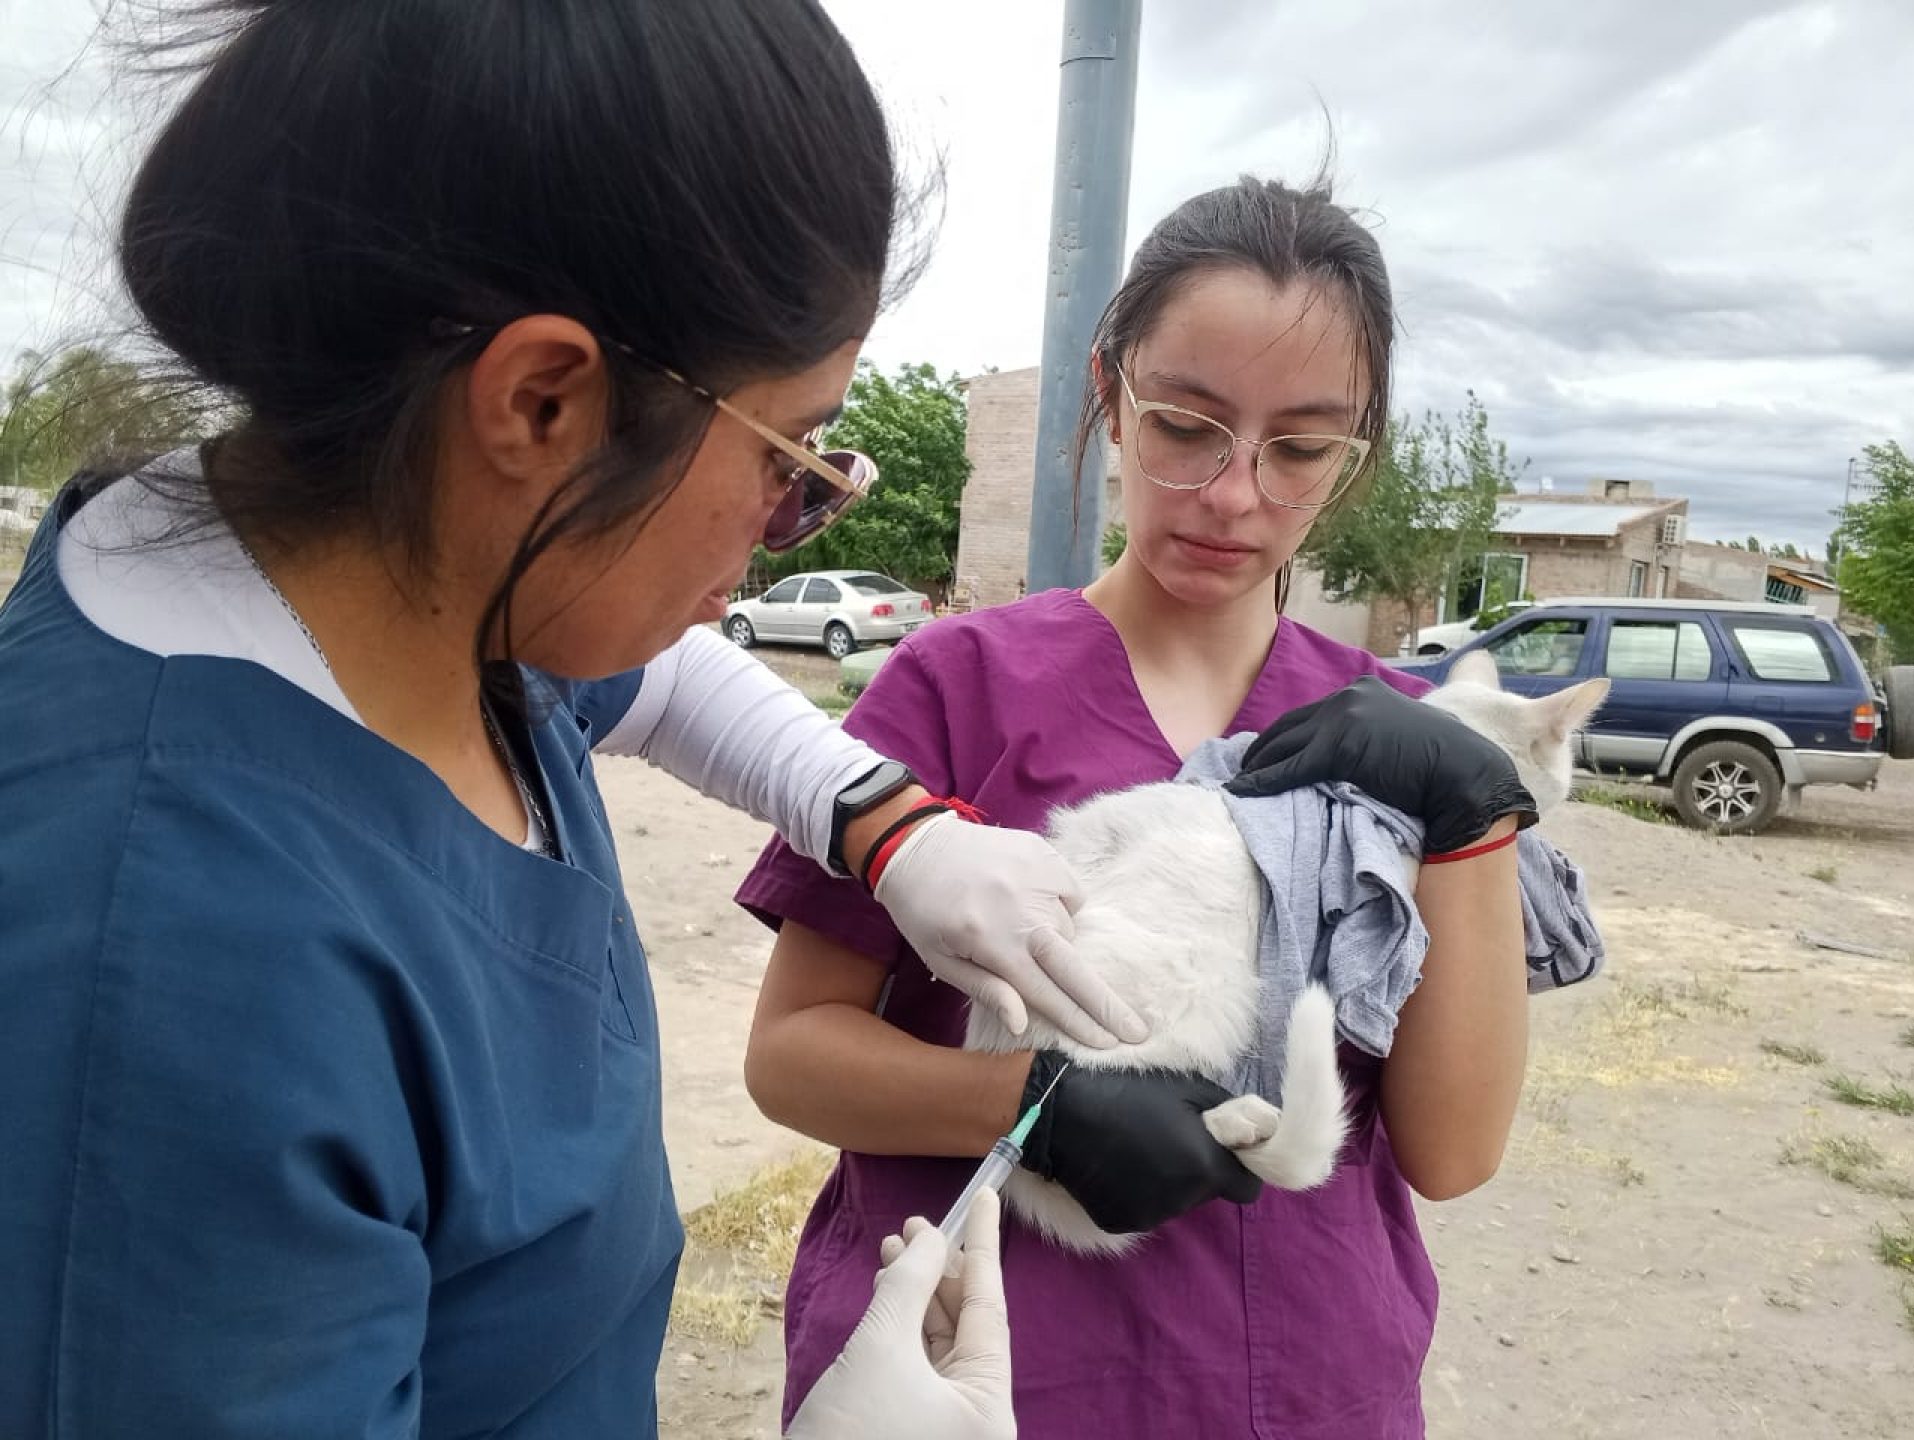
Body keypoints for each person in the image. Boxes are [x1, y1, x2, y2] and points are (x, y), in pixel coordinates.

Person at [0, 2, 1137, 1435]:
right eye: (792, 463)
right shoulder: (172, 966)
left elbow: (653, 676)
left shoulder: (431, 589)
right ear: (543, 402)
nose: (785, 528)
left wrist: (889, 826)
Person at [738, 173, 1539, 1436]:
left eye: (1299, 449)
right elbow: (790, 1057)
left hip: (1305, 1384)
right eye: (1186, 425)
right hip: (990, 1376)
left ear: (1353, 457)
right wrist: (1030, 1105)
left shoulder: (1402, 739)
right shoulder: (957, 683)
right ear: (1110, 393)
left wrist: (1475, 818)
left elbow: (1453, 1153)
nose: (1233, 495)